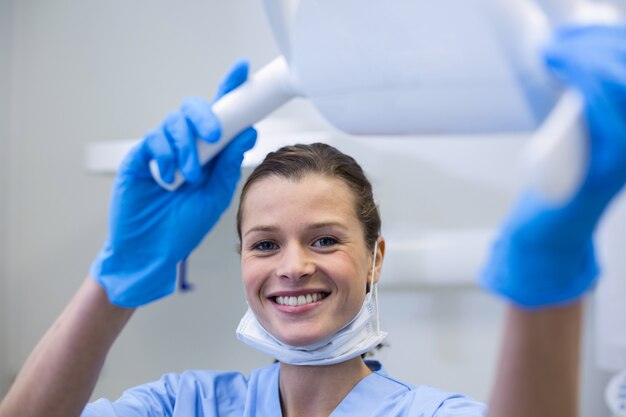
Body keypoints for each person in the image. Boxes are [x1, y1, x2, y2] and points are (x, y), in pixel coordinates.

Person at [1, 24, 626, 417]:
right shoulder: (181, 404)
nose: (293, 267)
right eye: (264, 244)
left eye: (324, 239)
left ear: (376, 257)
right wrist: (117, 278)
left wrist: (547, 278)